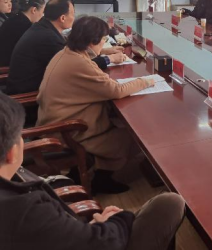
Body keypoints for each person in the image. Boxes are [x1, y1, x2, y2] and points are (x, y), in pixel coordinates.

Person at [0, 92, 186, 250]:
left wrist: (88, 229)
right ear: (11, 153)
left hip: (75, 234)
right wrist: (117, 219)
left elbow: (63, 237)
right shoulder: (23, 211)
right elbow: (103, 243)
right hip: (101, 240)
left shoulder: (16, 197)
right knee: (170, 204)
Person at [37, 16, 155, 194]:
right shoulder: (79, 63)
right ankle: (101, 179)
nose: (103, 43)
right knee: (133, 137)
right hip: (67, 131)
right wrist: (146, 81)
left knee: (118, 121)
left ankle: (92, 174)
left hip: (57, 120)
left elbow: (91, 62)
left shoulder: (67, 52)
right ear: (92, 42)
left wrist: (106, 51)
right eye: (103, 40)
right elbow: (116, 90)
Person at [6, 0, 125, 95]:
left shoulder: (42, 28)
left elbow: (75, 57)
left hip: (33, 85)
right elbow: (79, 67)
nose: (74, 17)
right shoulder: (49, 38)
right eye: (73, 13)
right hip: (29, 95)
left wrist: (104, 51)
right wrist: (110, 59)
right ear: (62, 18)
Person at [0, 0, 46, 67]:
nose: (42, 15)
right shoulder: (27, 27)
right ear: (34, 10)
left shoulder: (13, 19)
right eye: (43, 11)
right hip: (9, 67)